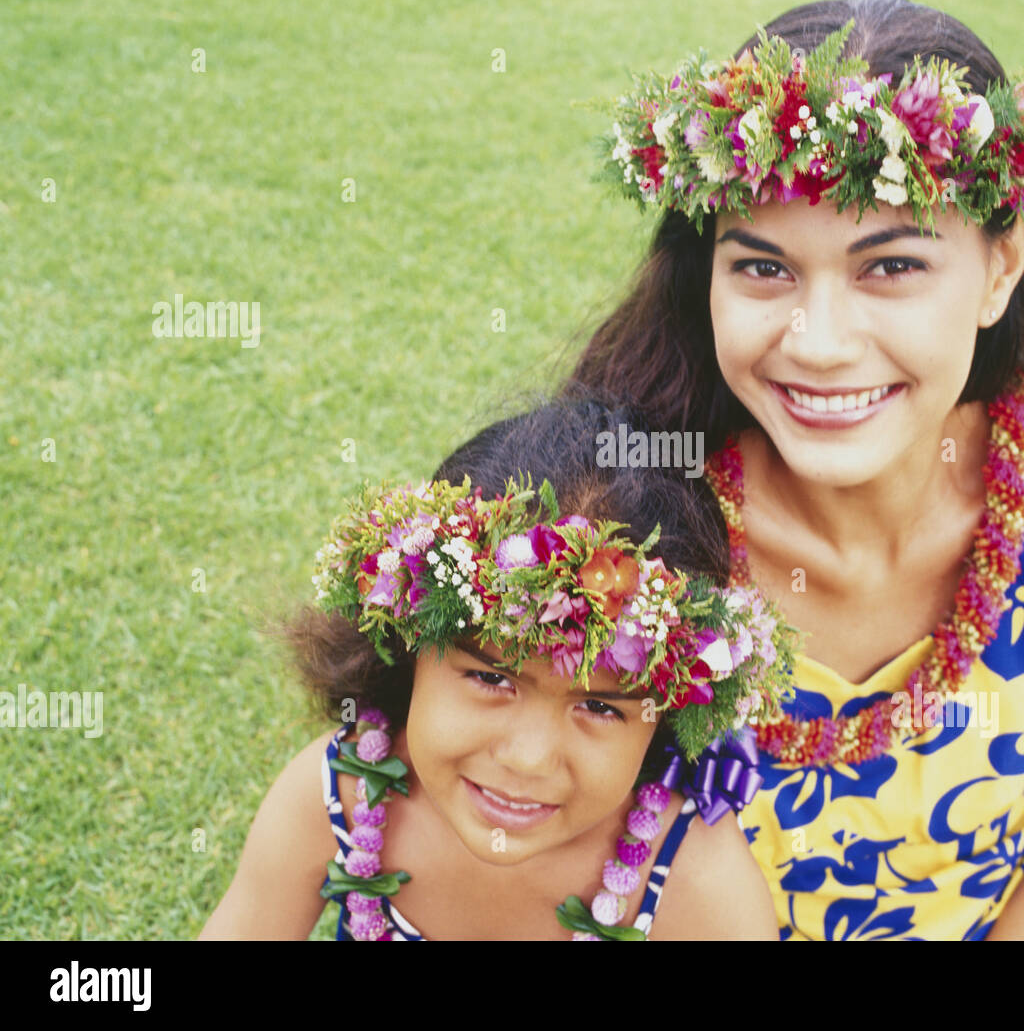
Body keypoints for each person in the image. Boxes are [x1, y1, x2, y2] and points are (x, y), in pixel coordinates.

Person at [564, 0, 1024, 940]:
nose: (817, 345)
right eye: (763, 268)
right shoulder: (626, 512)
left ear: (1002, 264)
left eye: (890, 267)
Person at [199, 395, 801, 941]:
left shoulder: (696, 883)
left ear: (671, 710)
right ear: (413, 643)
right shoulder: (341, 795)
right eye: (491, 677)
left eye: (598, 706)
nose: (527, 758)